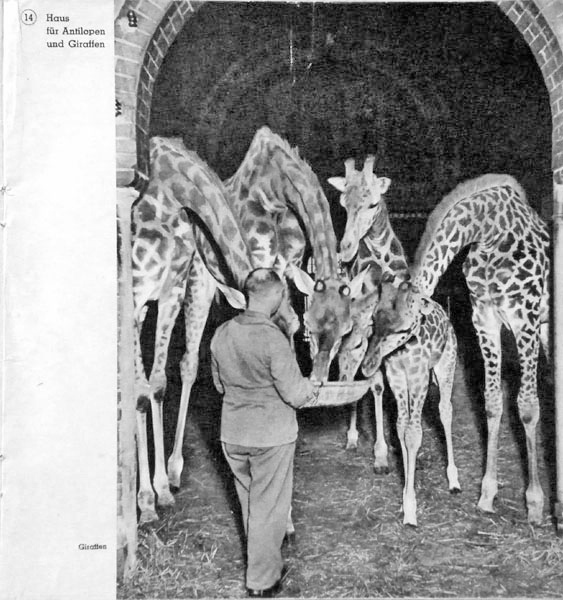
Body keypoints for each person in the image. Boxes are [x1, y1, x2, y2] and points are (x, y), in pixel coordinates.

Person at [210, 268, 321, 598]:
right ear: (275, 295)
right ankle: (262, 581)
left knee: (251, 504)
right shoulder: (273, 338)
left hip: (233, 435)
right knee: (269, 509)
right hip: (270, 437)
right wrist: (312, 386)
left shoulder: (222, 333)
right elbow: (295, 395)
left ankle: (266, 563)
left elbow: (219, 385)